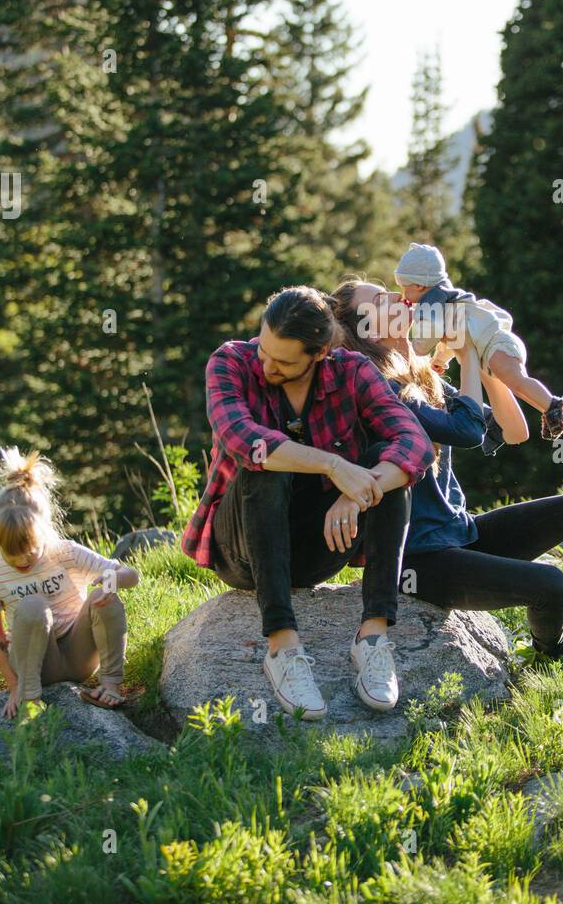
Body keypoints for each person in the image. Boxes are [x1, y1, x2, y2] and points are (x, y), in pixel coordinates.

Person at [330, 278, 563, 680]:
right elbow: (466, 431)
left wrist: (487, 361)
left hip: (460, 534)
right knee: (551, 584)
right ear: (361, 328)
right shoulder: (376, 387)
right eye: (381, 302)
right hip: (419, 560)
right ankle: (555, 650)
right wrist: (466, 353)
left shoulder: (421, 375)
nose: (397, 302)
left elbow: (511, 430)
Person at [181, 285, 435, 720]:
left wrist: (355, 495)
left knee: (388, 468)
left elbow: (415, 443)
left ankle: (372, 638)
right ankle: (282, 645)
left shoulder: (351, 371)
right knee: (267, 466)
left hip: (320, 548)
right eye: (264, 351)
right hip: (243, 547)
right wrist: (336, 468)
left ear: (319, 354)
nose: (267, 365)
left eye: (283, 362)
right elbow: (246, 441)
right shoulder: (231, 362)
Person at [0, 448, 136, 717]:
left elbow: (132, 576)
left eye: (30, 552)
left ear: (44, 532)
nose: (22, 562)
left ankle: (110, 685)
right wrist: (14, 685)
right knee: (32, 606)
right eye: (11, 556)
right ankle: (31, 698)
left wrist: (111, 580)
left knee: (103, 598)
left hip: (80, 656)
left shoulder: (65, 552)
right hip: (34, 665)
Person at [393, 241, 563, 442]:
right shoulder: (444, 298)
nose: (404, 296)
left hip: (496, 343)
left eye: (405, 289)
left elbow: (430, 335)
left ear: (420, 285)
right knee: (515, 384)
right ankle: (548, 411)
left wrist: (416, 348)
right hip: (489, 349)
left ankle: (552, 405)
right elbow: (452, 338)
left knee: (516, 379)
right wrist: (441, 359)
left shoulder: (432, 302)